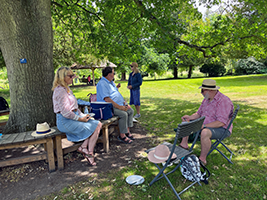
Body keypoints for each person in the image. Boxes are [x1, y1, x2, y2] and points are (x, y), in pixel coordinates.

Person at [52, 67, 102, 166]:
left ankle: (85, 148)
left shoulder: (66, 88)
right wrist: (80, 119)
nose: (72, 78)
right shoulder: (60, 91)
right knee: (94, 126)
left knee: (98, 124)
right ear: (62, 77)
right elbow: (65, 113)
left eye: (73, 75)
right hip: (65, 121)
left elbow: (74, 107)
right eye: (70, 76)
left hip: (73, 117)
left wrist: (84, 115)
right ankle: (89, 153)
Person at [179, 79, 234, 165]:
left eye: (202, 91)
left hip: (221, 129)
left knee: (205, 132)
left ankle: (202, 160)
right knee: (186, 123)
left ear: (210, 90)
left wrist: (204, 125)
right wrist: (189, 117)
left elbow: (221, 122)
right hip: (205, 124)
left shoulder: (223, 101)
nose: (201, 93)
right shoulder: (206, 99)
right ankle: (184, 145)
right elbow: (199, 113)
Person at [96, 66, 134, 144]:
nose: (114, 75)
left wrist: (124, 103)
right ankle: (122, 136)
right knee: (123, 114)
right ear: (109, 74)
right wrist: (120, 107)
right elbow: (107, 99)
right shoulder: (102, 83)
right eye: (114, 73)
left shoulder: (110, 82)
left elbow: (115, 94)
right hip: (107, 107)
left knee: (130, 111)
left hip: (117, 104)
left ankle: (127, 131)